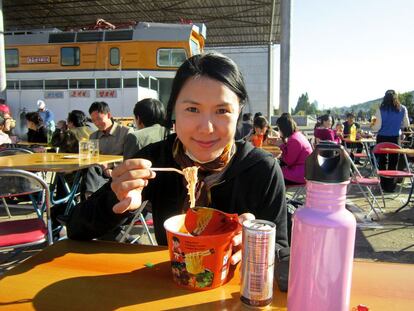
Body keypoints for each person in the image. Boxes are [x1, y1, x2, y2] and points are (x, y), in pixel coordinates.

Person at [65, 52, 289, 288]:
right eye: (192, 109)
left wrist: (257, 241)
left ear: (239, 111)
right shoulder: (155, 159)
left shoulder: (261, 169)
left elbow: (282, 250)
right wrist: (117, 197)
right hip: (170, 287)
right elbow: (76, 228)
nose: (206, 128)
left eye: (222, 111)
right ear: (174, 111)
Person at [84, 102, 132, 197]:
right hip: (97, 172)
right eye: (94, 121)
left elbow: (129, 158)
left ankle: (89, 198)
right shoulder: (93, 136)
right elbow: (90, 159)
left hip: (118, 172)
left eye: (99, 119)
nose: (97, 123)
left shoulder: (126, 132)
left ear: (109, 115)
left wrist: (111, 167)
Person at [372, 89, 410, 192]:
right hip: (395, 138)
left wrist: (373, 128)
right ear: (396, 98)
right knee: (394, 162)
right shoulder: (403, 109)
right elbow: (406, 124)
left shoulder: (380, 109)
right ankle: (391, 187)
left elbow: (377, 127)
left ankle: (383, 185)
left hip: (382, 138)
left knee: (383, 162)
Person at [276, 113, 312, 185]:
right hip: (304, 171)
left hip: (300, 174)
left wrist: (281, 145)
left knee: (273, 173)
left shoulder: (294, 140)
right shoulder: (297, 135)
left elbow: (288, 162)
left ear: (284, 129)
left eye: (279, 129)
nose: (279, 131)